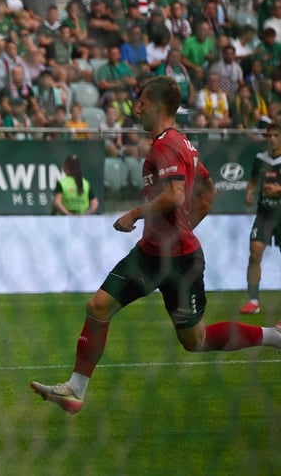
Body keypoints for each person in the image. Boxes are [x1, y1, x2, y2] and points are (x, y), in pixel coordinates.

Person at [31, 76, 281, 415]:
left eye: (141, 102)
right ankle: (75, 390)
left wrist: (135, 213)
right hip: (150, 254)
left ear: (158, 106)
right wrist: (180, 228)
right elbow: (207, 193)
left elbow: (177, 195)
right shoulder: (183, 144)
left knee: (196, 341)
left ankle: (273, 336)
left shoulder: (166, 145)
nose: (136, 108)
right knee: (98, 307)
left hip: (181, 262)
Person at [240, 123, 281, 315]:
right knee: (254, 254)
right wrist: (249, 192)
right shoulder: (260, 159)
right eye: (269, 135)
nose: (272, 138)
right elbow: (253, 180)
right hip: (264, 214)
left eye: (276, 135)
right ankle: (253, 301)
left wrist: (278, 190)